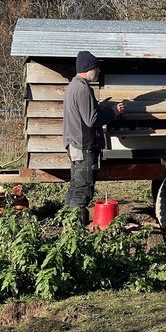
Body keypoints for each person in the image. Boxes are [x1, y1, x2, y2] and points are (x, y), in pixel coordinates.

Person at [63, 51, 125, 225]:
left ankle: (69, 226)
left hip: (74, 145)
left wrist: (99, 107)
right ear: (88, 68)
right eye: (96, 67)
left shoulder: (72, 86)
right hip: (83, 146)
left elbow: (84, 114)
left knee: (76, 187)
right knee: (83, 191)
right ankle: (74, 231)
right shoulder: (82, 89)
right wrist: (113, 112)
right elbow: (92, 120)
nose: (98, 71)